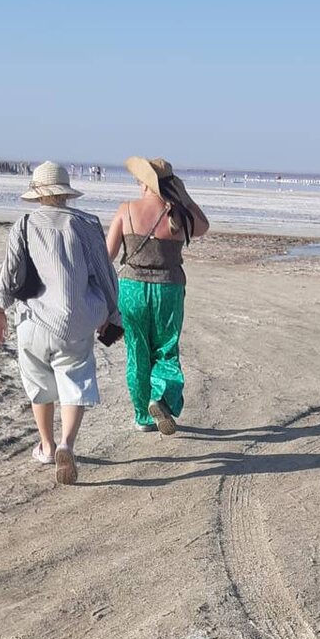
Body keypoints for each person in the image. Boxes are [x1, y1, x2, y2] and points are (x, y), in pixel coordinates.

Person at [0, 161, 121, 485]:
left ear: (37, 194)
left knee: (39, 385)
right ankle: (66, 445)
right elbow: (104, 273)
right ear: (66, 193)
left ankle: (47, 447)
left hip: (33, 320)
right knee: (75, 380)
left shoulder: (23, 225)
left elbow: (9, 272)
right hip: (75, 321)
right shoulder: (86, 225)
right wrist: (112, 313)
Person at [105, 157, 209, 434]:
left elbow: (107, 255)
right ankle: (159, 397)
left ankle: (142, 416)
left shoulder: (126, 210)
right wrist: (184, 196)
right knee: (166, 348)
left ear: (145, 183)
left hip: (132, 288)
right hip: (168, 288)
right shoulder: (178, 214)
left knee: (137, 351)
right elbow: (204, 226)